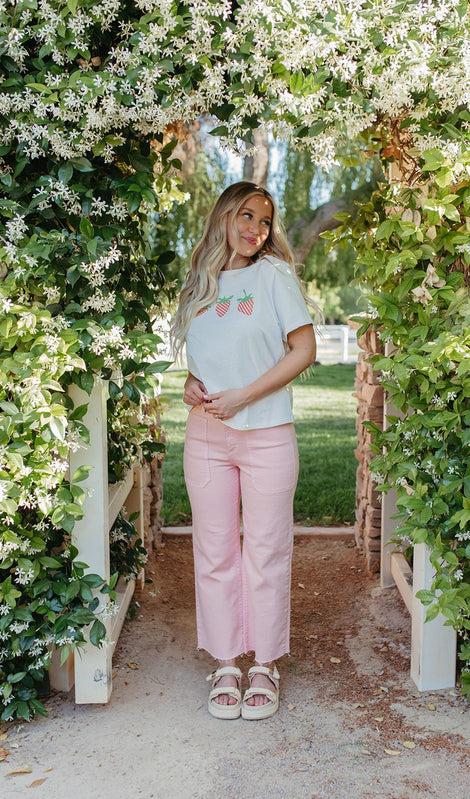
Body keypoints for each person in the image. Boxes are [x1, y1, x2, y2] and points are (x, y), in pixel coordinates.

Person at [170, 180, 317, 720]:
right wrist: (191, 381)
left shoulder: (275, 276)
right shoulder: (201, 281)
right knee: (213, 552)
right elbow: (208, 355)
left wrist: (245, 396)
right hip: (207, 435)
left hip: (267, 432)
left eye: (265, 220)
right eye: (247, 216)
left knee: (266, 550)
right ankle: (227, 662)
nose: (256, 229)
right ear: (225, 216)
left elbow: (304, 349)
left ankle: (265, 665)